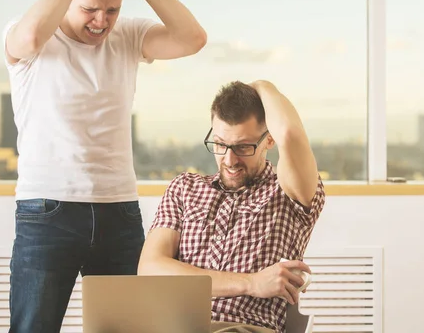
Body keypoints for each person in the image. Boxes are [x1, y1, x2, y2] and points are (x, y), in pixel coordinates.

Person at [3, 0, 206, 332]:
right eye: (89, 9)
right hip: (47, 211)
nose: (101, 21)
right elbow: (26, 40)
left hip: (118, 210)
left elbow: (192, 39)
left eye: (112, 10)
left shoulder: (128, 36)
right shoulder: (32, 37)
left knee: (129, 328)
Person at [138, 80, 326, 333]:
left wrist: (262, 85)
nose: (229, 160)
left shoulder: (289, 194)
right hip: (174, 326)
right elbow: (150, 269)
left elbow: (290, 134)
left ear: (269, 140)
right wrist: (251, 283)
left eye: (243, 147)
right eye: (219, 144)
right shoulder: (184, 188)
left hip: (242, 327)